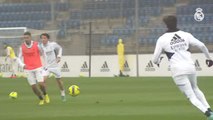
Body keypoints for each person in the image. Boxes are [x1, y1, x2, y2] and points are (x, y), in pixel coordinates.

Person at [152, 15, 213, 120]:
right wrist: (209, 58)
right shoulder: (186, 35)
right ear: (176, 22)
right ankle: (209, 109)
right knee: (196, 88)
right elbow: (202, 45)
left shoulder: (162, 39)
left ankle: (208, 114)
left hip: (178, 71)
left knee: (191, 96)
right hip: (190, 67)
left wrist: (158, 61)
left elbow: (154, 59)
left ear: (166, 25)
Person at [17, 32, 50, 105]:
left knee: (41, 84)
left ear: (30, 37)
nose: (26, 39)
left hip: (38, 67)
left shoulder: (37, 45)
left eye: (27, 37)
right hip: (28, 69)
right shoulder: (21, 47)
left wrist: (46, 65)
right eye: (25, 38)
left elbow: (44, 53)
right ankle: (41, 99)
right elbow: (18, 58)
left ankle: (45, 94)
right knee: (33, 87)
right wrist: (22, 65)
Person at [40, 33, 66, 102]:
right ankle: (45, 95)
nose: (43, 39)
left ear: (48, 39)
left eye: (44, 38)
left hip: (55, 66)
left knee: (59, 81)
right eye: (42, 38)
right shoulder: (40, 46)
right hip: (46, 67)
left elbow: (60, 48)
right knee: (43, 81)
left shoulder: (53, 44)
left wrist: (59, 56)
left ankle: (63, 93)